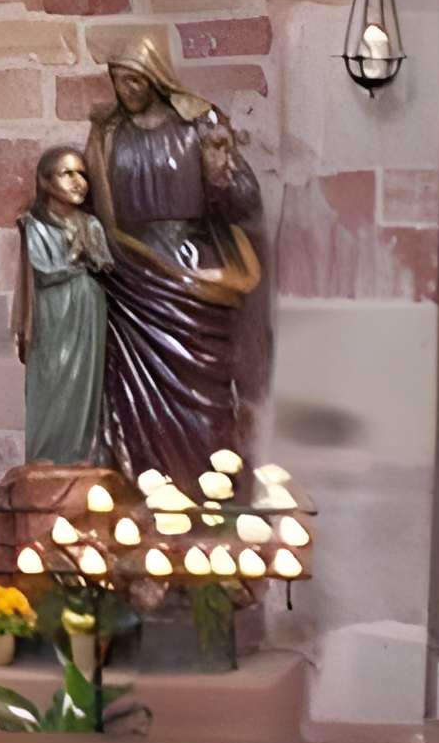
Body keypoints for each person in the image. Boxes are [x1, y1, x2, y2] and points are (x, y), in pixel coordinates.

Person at [83, 35, 263, 480]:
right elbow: (90, 203)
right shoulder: (108, 132)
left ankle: (209, 485)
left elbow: (245, 204)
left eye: (135, 80)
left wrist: (221, 172)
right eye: (118, 81)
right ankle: (141, 484)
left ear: (155, 78)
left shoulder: (197, 123)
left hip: (191, 266)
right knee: (130, 392)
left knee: (202, 384)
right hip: (129, 273)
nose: (126, 90)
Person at [14, 143, 111, 465]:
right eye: (66, 173)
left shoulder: (91, 224)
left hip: (90, 310)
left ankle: (80, 454)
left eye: (82, 174)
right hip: (54, 312)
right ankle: (45, 454)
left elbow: (104, 263)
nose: (78, 182)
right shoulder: (35, 224)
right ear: (45, 181)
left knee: (84, 382)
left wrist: (90, 258)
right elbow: (43, 269)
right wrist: (76, 258)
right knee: (53, 377)